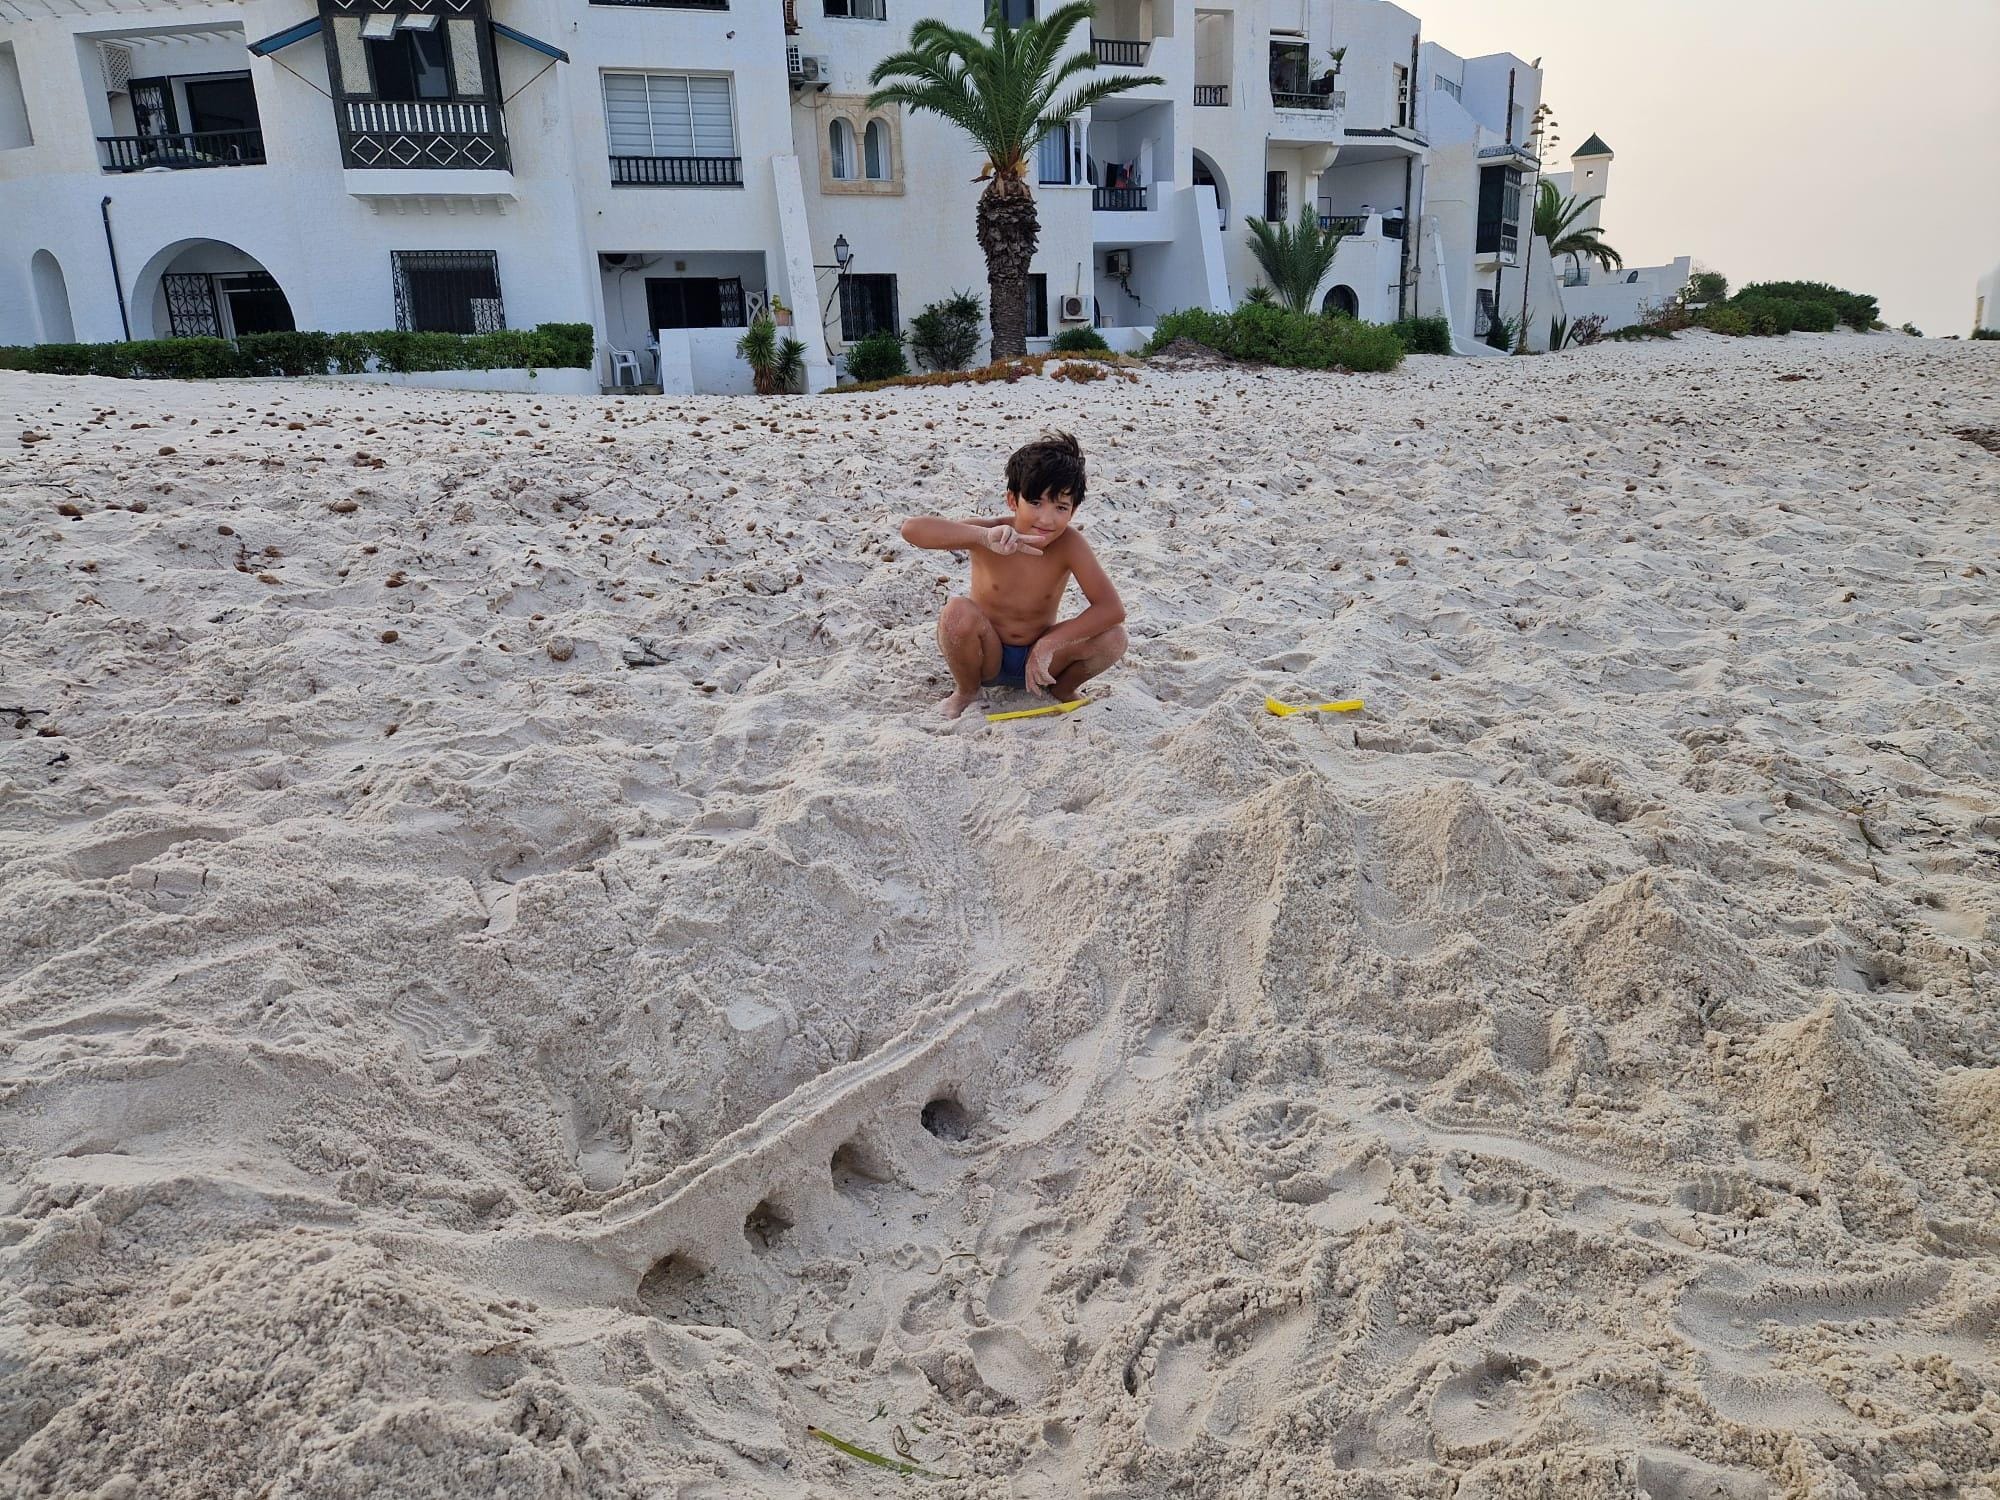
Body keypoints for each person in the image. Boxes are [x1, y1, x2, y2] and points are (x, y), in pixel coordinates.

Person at [900, 431, 1128, 720]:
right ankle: (967, 691)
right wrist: (982, 537)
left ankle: (1062, 689)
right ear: (1012, 500)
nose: (1047, 519)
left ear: (1073, 511)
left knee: (1115, 638)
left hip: (1042, 659)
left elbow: (1111, 609)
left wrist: (1050, 643)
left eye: (1060, 507)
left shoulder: (1070, 544)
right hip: (988, 655)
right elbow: (911, 530)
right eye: (1035, 503)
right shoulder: (990, 532)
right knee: (957, 611)